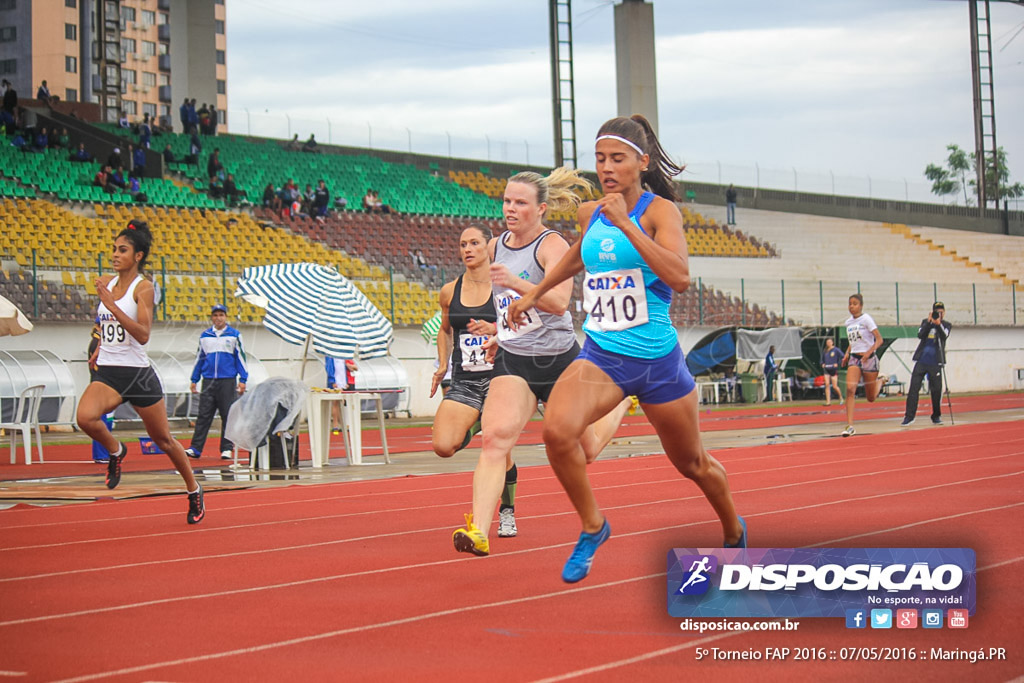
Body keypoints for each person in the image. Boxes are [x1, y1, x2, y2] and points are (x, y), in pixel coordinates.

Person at [505, 115, 746, 583]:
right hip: (603, 356)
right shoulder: (591, 213)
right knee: (557, 432)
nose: (607, 167)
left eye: (618, 159)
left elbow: (679, 276)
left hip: (658, 363)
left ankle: (733, 529)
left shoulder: (660, 213)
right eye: (600, 159)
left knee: (693, 463)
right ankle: (594, 526)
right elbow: (580, 254)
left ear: (642, 162)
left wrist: (626, 224)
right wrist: (533, 293)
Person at [450, 168, 633, 558]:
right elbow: (504, 306)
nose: (510, 209)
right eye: (506, 201)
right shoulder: (496, 245)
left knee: (586, 451)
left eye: (520, 203)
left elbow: (558, 303)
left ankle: (618, 403)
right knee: (495, 438)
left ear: (541, 209)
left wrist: (516, 283)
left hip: (559, 363)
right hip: (515, 362)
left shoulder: (552, 245)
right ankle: (478, 530)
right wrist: (503, 333)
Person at [75, 220, 205, 523]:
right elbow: (101, 323)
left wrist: (113, 306)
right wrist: (97, 342)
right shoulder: (105, 282)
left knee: (163, 440)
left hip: (137, 374)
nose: (115, 254)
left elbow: (143, 334)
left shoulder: (144, 288)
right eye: (114, 249)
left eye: (122, 250)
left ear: (138, 256)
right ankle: (116, 450)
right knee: (85, 418)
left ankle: (194, 489)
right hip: (108, 371)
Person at [184, 304, 248, 460]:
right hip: (209, 380)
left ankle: (226, 448)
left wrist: (243, 378)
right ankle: (195, 448)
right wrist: (194, 379)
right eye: (215, 315)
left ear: (225, 317)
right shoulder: (205, 336)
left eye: (221, 315)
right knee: (204, 415)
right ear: (211, 317)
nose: (218, 318)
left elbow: (241, 358)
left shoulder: (234, 335)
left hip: (227, 380)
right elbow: (199, 358)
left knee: (227, 415)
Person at [840, 293, 885, 437]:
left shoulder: (866, 319)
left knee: (870, 398)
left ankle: (881, 381)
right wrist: (847, 353)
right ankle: (850, 425)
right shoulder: (848, 323)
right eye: (850, 304)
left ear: (861, 306)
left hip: (869, 359)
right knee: (850, 388)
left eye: (855, 304)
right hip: (854, 359)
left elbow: (879, 340)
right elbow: (853, 341)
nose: (851, 306)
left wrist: (868, 352)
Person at [901, 302, 952, 426]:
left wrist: (938, 324)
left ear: (944, 313)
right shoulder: (925, 322)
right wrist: (929, 323)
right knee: (914, 388)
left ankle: (936, 415)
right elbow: (920, 335)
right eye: (936, 312)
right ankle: (909, 416)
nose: (938, 314)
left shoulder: (946, 325)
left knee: (936, 390)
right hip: (922, 360)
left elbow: (944, 336)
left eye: (941, 312)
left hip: (936, 361)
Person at [325, 356, 357, 435]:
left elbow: (344, 369)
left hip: (342, 381)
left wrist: (345, 381)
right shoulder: (330, 356)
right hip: (336, 382)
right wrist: (332, 381)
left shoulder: (342, 356)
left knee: (341, 402)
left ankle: (343, 424)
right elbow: (329, 367)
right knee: (335, 402)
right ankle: (335, 425)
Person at [820, 337, 843, 406]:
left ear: (832, 342)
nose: (828, 343)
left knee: (835, 386)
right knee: (827, 384)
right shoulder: (825, 351)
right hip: (827, 369)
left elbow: (842, 356)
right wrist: (822, 364)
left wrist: (838, 363)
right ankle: (828, 401)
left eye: (829, 342)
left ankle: (840, 397)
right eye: (827, 342)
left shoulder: (836, 350)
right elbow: (822, 359)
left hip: (833, 369)